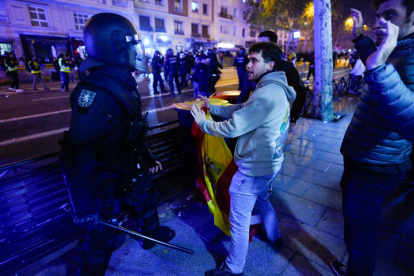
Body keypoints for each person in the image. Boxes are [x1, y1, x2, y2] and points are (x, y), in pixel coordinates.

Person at [59, 13, 175, 276]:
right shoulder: (94, 92)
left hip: (129, 165)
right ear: (115, 46)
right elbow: (77, 152)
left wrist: (146, 158)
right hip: (107, 174)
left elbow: (132, 128)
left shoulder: (121, 80)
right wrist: (84, 207)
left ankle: (152, 235)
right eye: (132, 46)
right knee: (106, 236)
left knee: (146, 199)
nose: (137, 52)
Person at [191, 42, 296, 276]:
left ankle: (233, 268)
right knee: (262, 200)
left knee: (239, 222)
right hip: (269, 162)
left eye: (254, 60)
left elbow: (235, 126)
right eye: (248, 59)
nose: (247, 64)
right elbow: (243, 109)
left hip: (254, 166)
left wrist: (203, 123)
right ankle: (275, 236)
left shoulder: (266, 92)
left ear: (270, 64)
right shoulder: (273, 87)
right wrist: (214, 108)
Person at [330, 2, 414, 276]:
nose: (379, 23)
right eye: (378, 16)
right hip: (363, 158)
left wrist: (378, 66)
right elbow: (377, 57)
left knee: (361, 238)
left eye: (390, 16)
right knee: (356, 228)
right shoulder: (401, 47)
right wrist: (359, 37)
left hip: (375, 167)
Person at [237, 30, 307, 127]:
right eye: (259, 43)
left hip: (277, 120)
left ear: (274, 45)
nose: (260, 47)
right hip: (254, 116)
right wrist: (237, 114)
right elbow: (244, 93)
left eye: (264, 44)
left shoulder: (287, 67)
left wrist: (294, 115)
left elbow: (300, 92)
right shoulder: (252, 66)